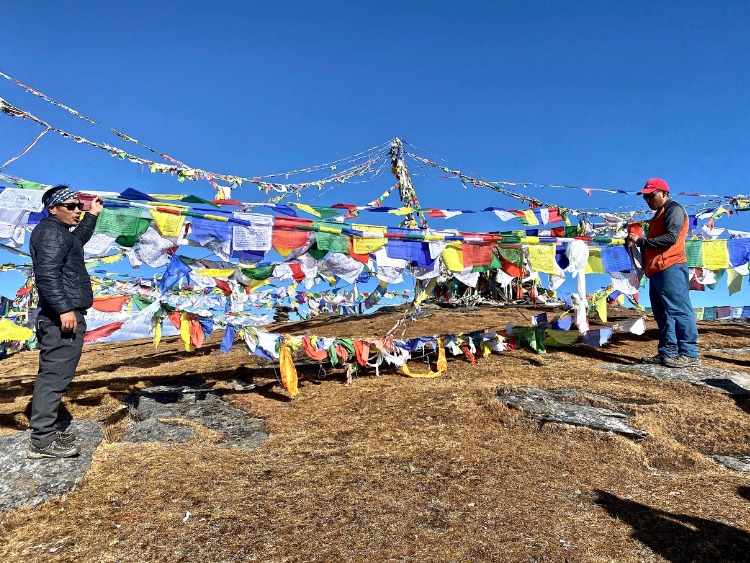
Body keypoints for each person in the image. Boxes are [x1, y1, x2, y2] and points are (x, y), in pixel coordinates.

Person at [27, 185, 104, 458]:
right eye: (71, 207)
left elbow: (77, 240)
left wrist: (92, 213)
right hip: (61, 316)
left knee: (57, 374)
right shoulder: (50, 233)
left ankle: (45, 431)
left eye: (78, 206)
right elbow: (46, 273)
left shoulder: (60, 234)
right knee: (54, 376)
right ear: (53, 209)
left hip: (64, 313)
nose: (77, 211)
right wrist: (64, 309)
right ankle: (42, 440)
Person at [626, 178, 700, 368]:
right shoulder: (658, 215)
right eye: (645, 198)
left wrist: (641, 241)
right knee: (662, 313)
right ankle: (667, 352)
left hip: (671, 266)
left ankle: (690, 354)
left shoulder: (673, 209)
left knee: (679, 310)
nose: (647, 200)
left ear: (664, 194)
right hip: (657, 269)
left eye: (650, 196)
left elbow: (670, 238)